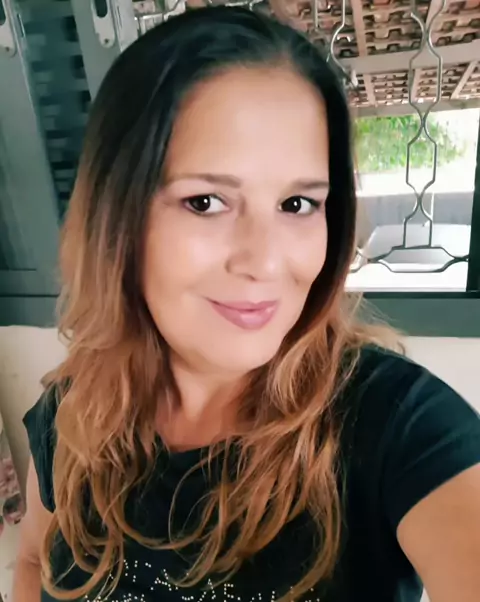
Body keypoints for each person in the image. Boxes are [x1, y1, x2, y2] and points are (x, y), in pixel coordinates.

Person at [13, 6, 480, 602]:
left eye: (297, 205)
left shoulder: (398, 425)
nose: (266, 261)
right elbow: (34, 559)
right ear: (115, 219)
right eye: (206, 202)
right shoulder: (74, 409)